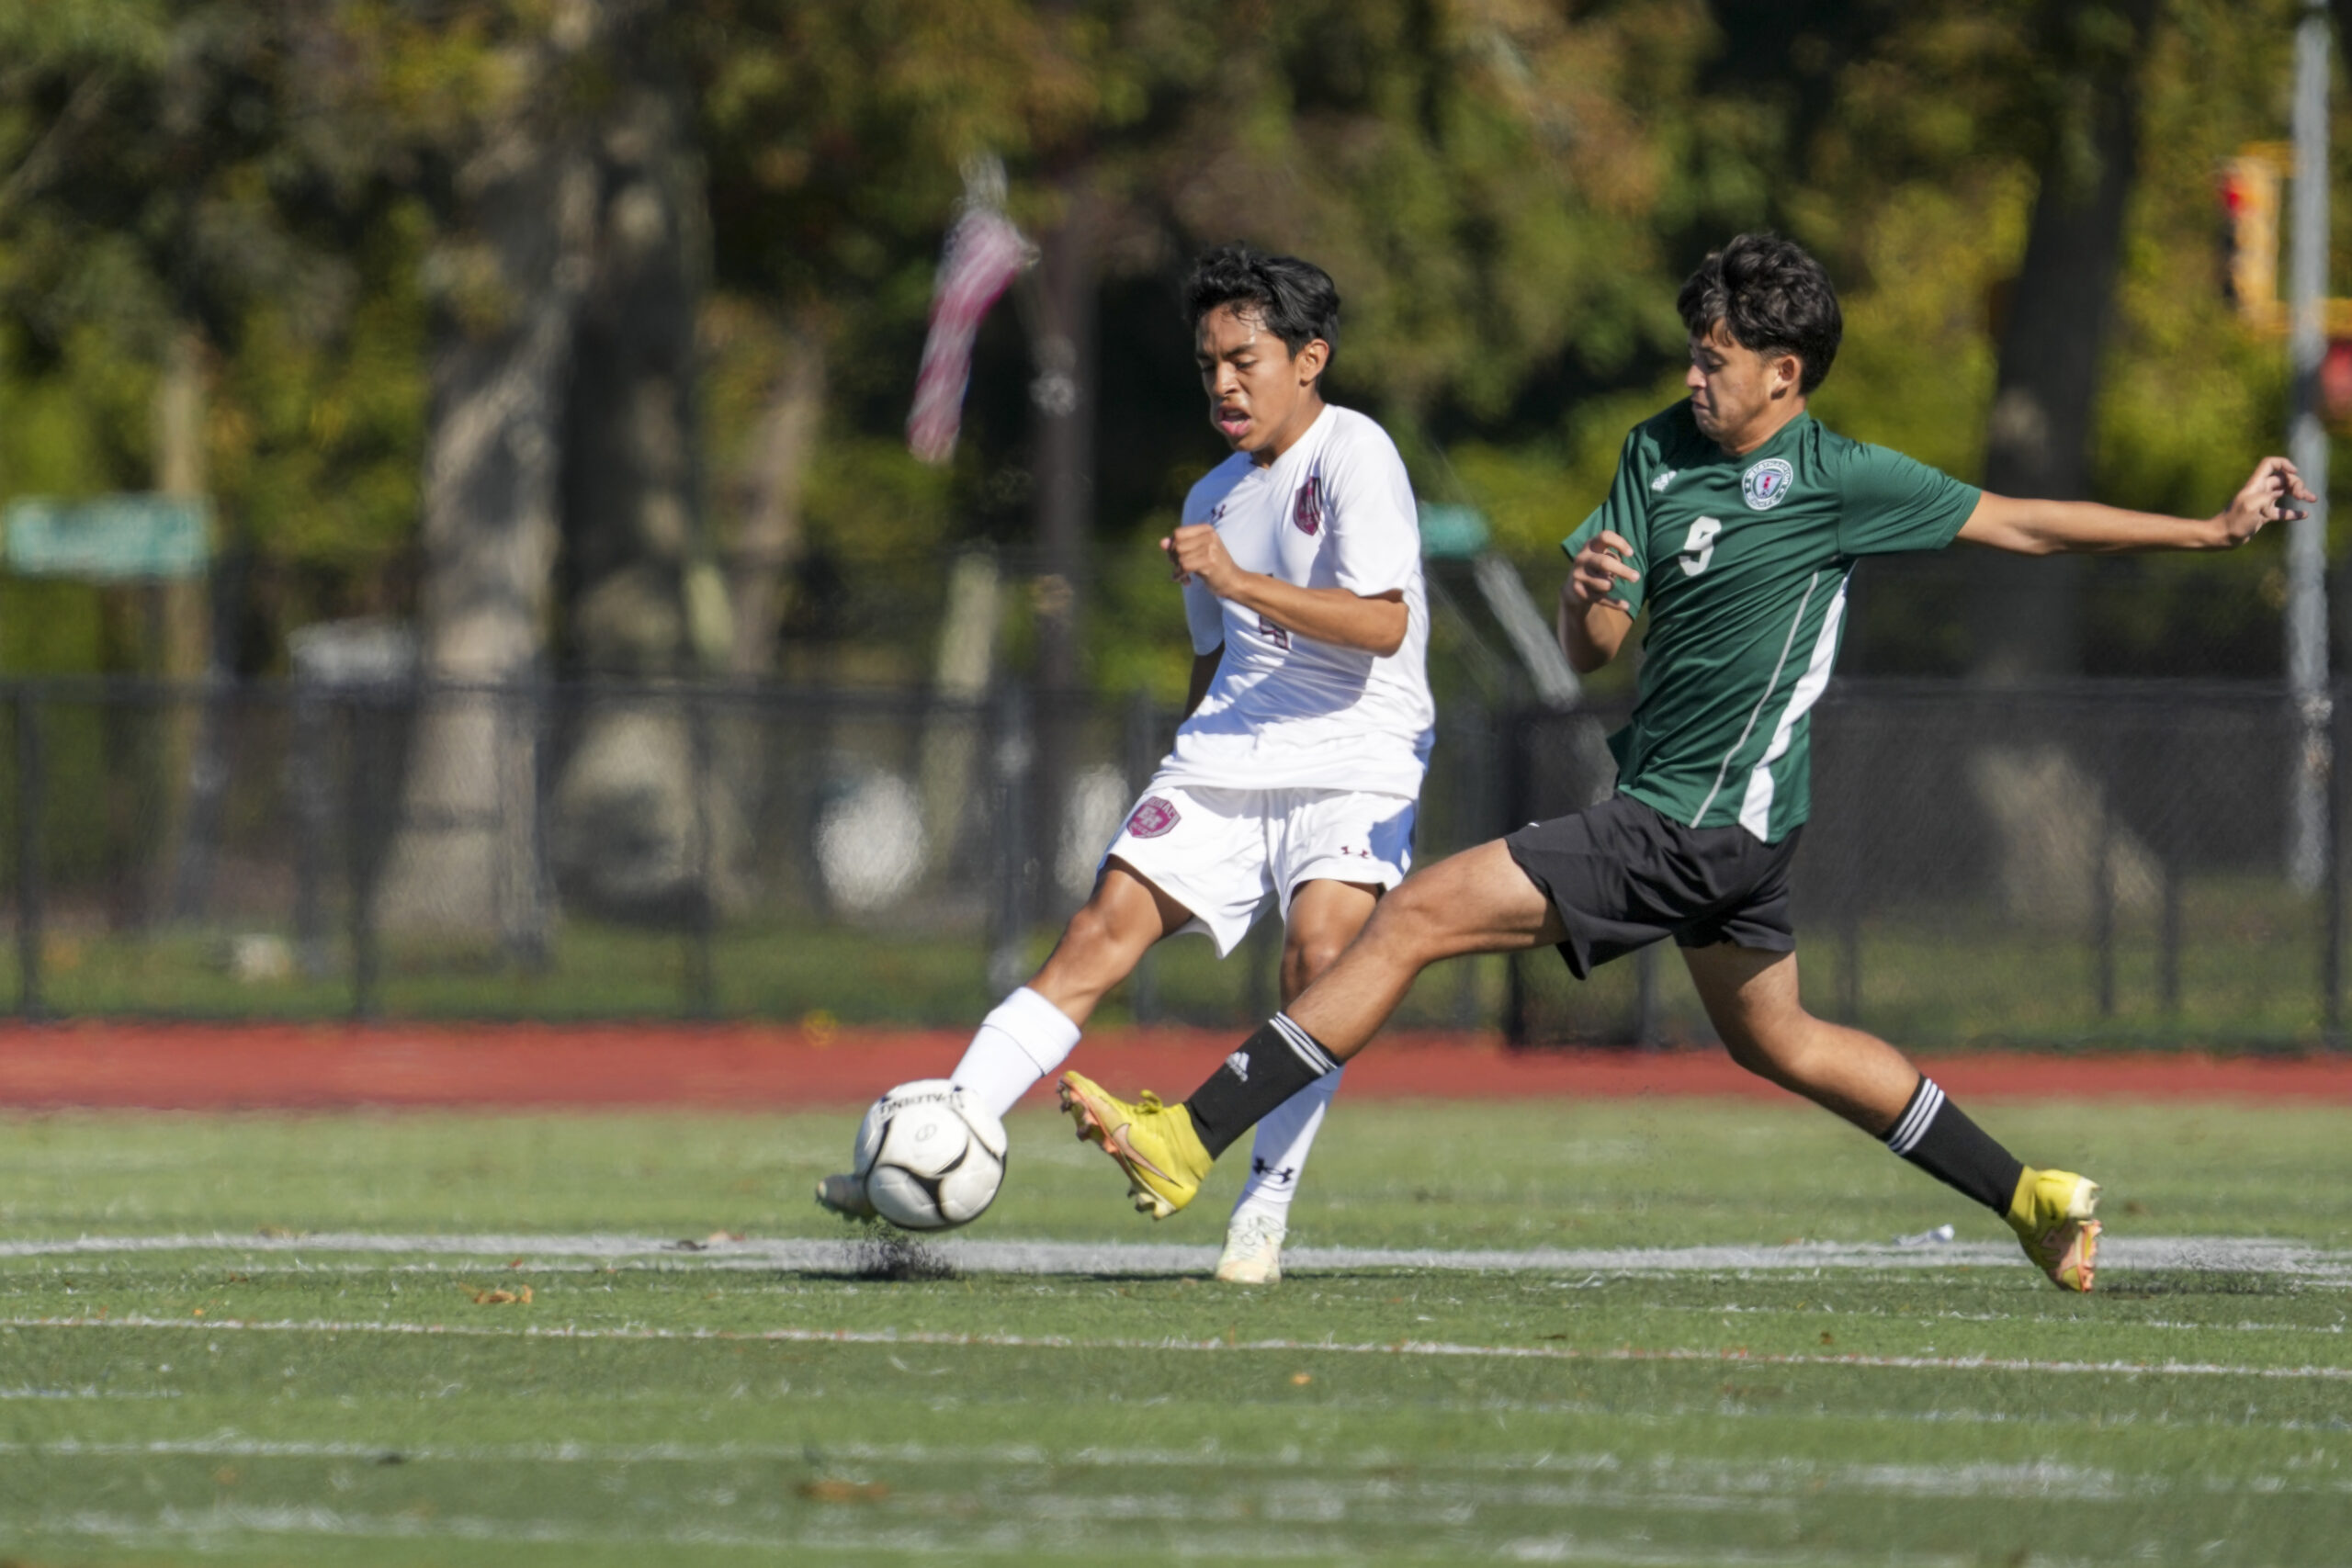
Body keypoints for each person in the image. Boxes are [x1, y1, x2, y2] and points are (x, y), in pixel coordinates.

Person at [1056, 232, 2314, 1293]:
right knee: (1782, 1040)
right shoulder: (1655, 450)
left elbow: (2023, 521)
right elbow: (1592, 648)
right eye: (1692, 353)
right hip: (1714, 823)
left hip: (1700, 821)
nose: (1693, 375)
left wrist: (2209, 529)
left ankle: (1192, 1133)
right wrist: (1590, 592)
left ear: (1785, 373)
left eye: (1715, 360)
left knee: (1416, 913)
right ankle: (2031, 1193)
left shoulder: (1838, 477)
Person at [820, 243, 1438, 1284]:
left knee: (1320, 965)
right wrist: (1177, 769)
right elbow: (1214, 658)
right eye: (1209, 366)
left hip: (1357, 756)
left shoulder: (1354, 453)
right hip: (1225, 756)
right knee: (1095, 935)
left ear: (1310, 358)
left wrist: (1236, 579)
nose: (1224, 384)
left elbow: (1379, 625)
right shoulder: (1210, 496)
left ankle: (1262, 1212)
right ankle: (942, 1133)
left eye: (1244, 359)